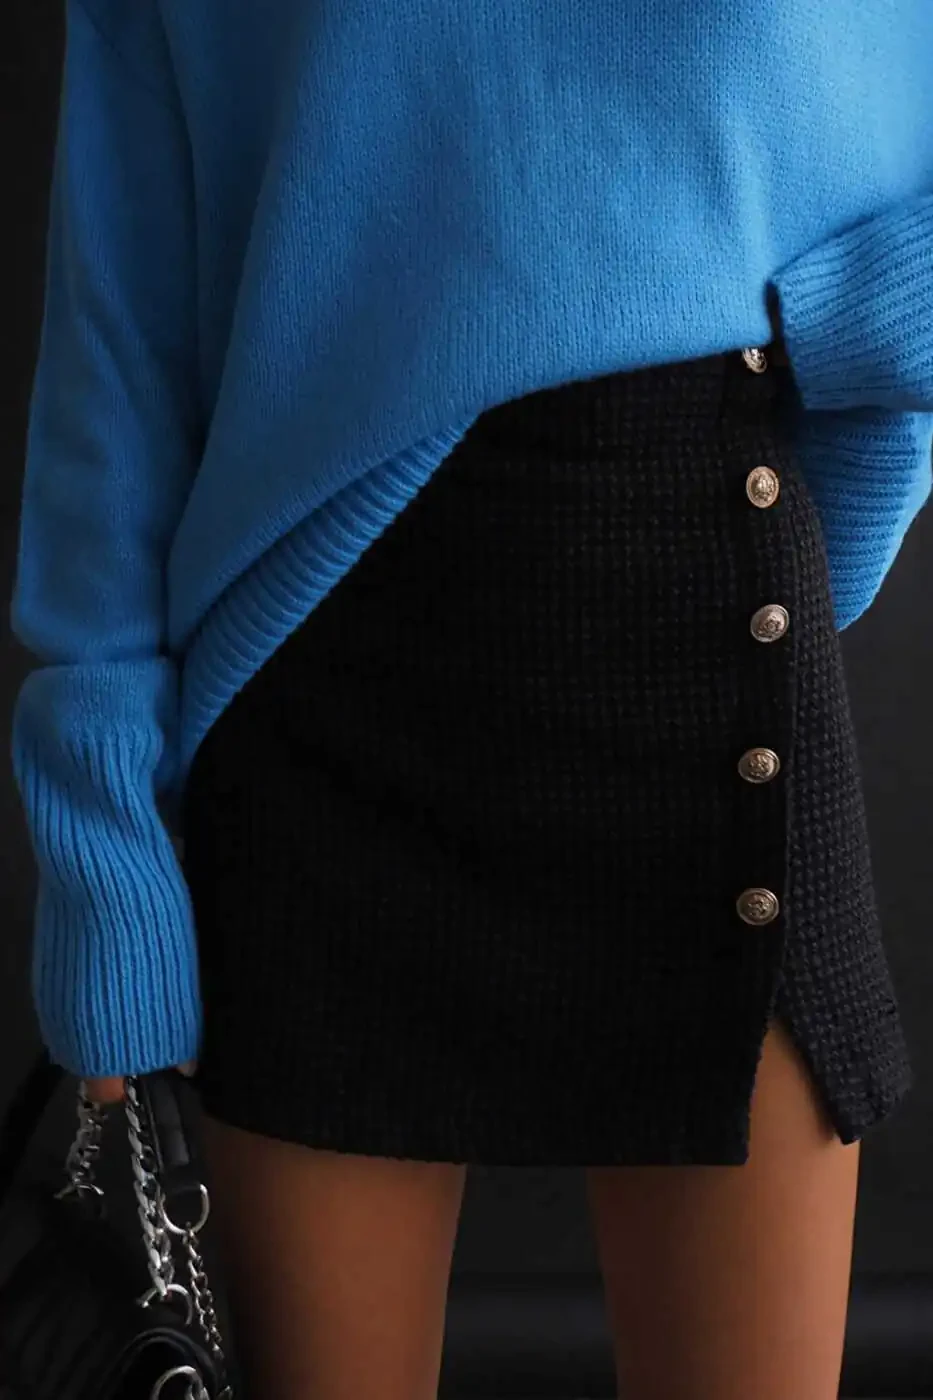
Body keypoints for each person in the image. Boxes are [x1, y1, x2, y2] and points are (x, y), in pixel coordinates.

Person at [10, 1, 933, 1396]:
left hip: (719, 658)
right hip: (321, 699)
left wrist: (877, 324)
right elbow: (120, 342)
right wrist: (102, 857)